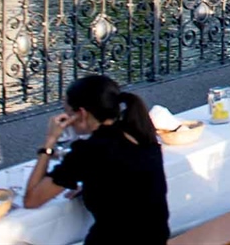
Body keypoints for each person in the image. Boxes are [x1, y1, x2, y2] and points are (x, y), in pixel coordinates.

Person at [23, 74, 169, 244]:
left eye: (68, 113)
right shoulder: (140, 133)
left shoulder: (89, 151)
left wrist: (49, 142)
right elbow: (128, 179)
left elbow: (32, 199)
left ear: (82, 114)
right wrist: (93, 184)